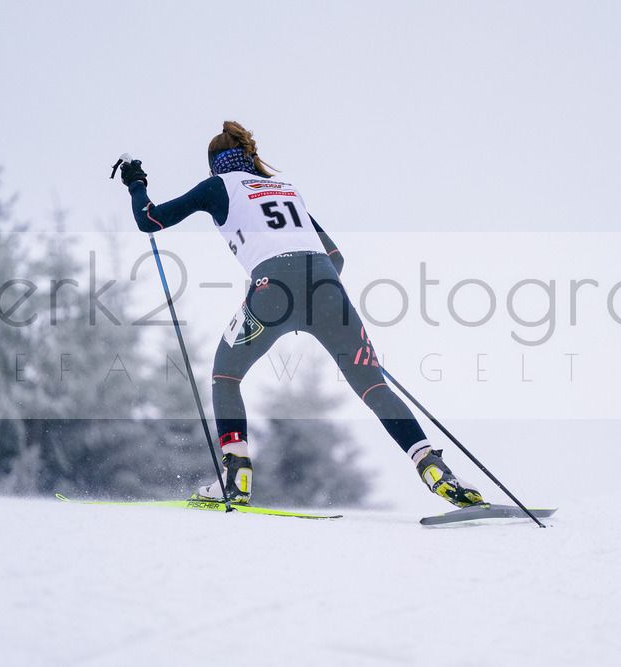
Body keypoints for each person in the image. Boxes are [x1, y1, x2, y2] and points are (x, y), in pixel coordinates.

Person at [118, 121, 484, 509]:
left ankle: (236, 474)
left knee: (225, 376)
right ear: (248, 157)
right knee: (374, 386)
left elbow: (150, 221)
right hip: (329, 291)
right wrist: (316, 309)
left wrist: (135, 183)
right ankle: (431, 465)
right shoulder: (287, 189)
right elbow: (336, 257)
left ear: (215, 165)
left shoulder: (217, 187)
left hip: (272, 290)